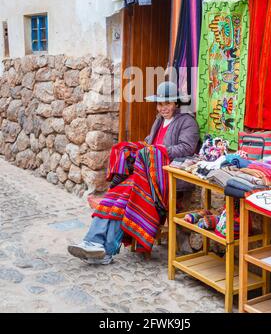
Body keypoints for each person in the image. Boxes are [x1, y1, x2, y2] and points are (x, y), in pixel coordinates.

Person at [68, 82, 200, 265]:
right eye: (160, 104)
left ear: (176, 103)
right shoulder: (159, 121)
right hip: (146, 175)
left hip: (165, 178)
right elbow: (148, 142)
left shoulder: (187, 122)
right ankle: (94, 243)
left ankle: (103, 248)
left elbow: (186, 148)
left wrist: (155, 151)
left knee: (125, 196)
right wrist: (137, 148)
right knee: (114, 196)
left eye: (167, 103)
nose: (163, 108)